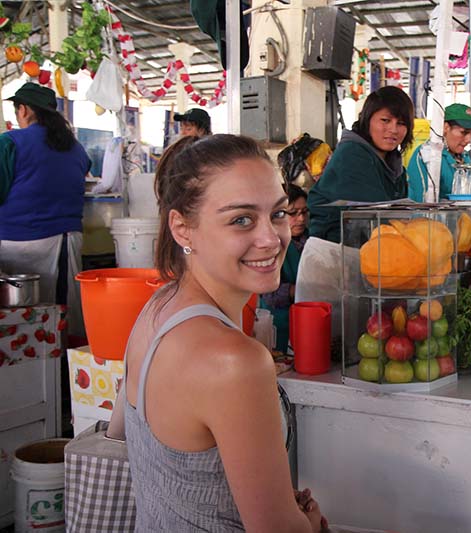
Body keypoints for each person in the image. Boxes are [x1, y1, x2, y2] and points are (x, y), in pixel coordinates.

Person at [117, 134, 324, 531]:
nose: (270, 238)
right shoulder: (234, 361)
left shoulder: (158, 308)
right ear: (182, 228)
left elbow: (128, 436)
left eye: (278, 214)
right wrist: (308, 522)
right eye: (241, 219)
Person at [0, 83, 91, 336]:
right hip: (66, 242)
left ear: (25, 110)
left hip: (18, 244)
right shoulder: (75, 147)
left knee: (17, 320)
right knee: (64, 314)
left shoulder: (9, 143)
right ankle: (64, 370)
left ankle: (28, 370)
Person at [308, 86, 413, 243]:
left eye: (401, 123)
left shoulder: (395, 164)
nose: (393, 129)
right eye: (385, 120)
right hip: (334, 251)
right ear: (368, 119)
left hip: (371, 246)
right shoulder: (351, 154)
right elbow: (380, 213)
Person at [260, 184, 309, 353]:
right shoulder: (268, 245)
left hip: (309, 326)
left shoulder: (312, 241)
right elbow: (268, 293)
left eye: (304, 212)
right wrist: (296, 290)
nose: (301, 219)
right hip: (278, 328)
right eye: (293, 213)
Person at [407, 103, 471, 202]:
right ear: (445, 127)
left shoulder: (465, 157)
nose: (468, 139)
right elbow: (422, 200)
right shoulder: (427, 155)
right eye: (464, 132)